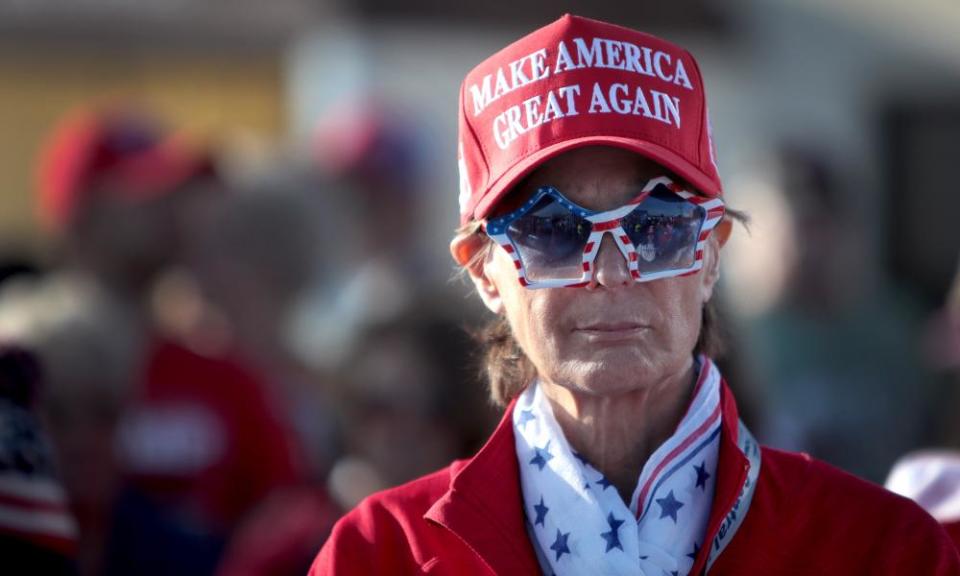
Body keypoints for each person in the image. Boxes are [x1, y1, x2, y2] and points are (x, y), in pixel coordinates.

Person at [312, 14, 960, 574]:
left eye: (657, 229)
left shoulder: (879, 548)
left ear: (710, 256)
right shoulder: (378, 556)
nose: (614, 271)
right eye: (554, 231)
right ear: (484, 272)